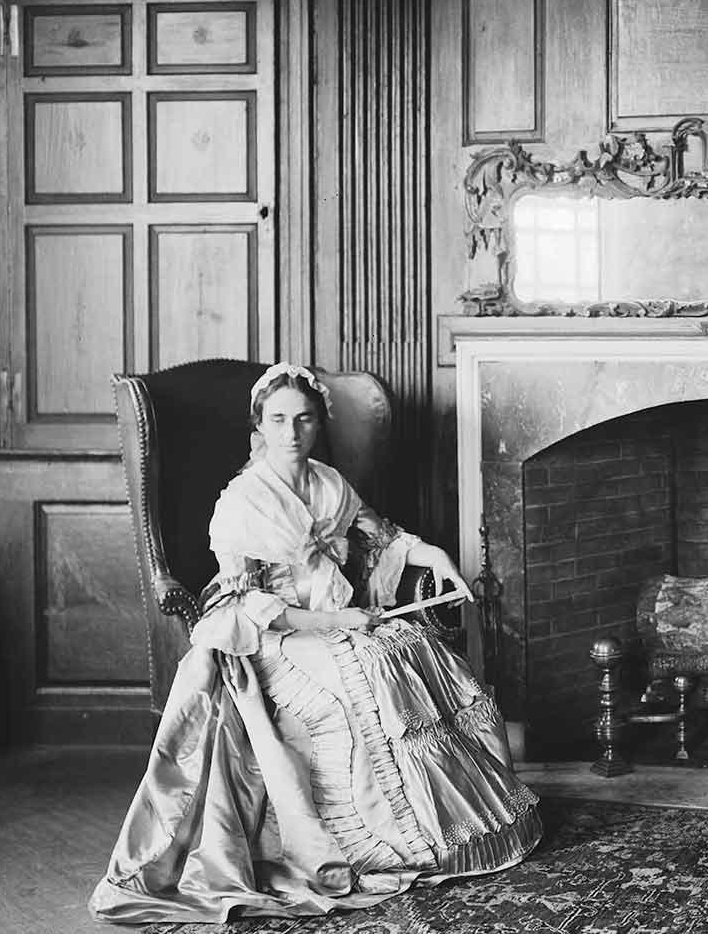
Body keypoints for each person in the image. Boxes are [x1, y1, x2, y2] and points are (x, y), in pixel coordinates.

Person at [90, 363, 541, 924]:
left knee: (413, 649)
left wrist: (437, 557)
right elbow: (244, 603)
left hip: (337, 620)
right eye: (278, 420)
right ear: (259, 427)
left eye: (304, 419)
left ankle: (447, 827)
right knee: (365, 670)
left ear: (319, 423)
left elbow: (382, 535)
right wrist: (330, 622)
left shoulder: (329, 483)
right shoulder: (243, 500)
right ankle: (374, 844)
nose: (292, 432)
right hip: (275, 635)